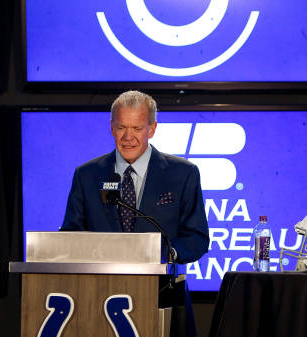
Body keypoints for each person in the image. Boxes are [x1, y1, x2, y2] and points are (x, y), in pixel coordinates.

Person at [61, 90, 209, 264]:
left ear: (152, 129)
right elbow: (71, 236)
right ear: (112, 127)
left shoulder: (183, 173)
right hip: (100, 287)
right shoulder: (86, 175)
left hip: (161, 287)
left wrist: (168, 255)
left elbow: (197, 238)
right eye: (121, 127)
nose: (128, 137)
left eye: (137, 128)